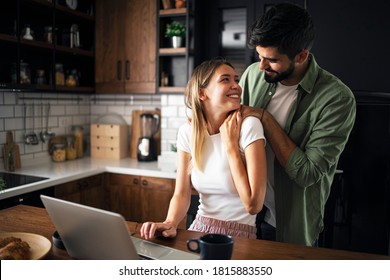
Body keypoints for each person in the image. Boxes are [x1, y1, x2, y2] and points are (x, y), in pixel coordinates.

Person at [239, 3, 356, 246]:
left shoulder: (336, 98)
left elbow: (307, 174)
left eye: (271, 60)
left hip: (287, 225)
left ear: (302, 55)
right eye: (259, 57)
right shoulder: (252, 74)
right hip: (241, 215)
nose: (261, 66)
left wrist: (265, 118)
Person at [140, 58, 267, 240]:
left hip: (240, 235)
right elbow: (181, 193)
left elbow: (253, 205)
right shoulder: (188, 132)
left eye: (236, 80)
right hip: (199, 228)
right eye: (225, 79)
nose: (236, 86)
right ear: (202, 93)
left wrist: (230, 145)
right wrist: (170, 222)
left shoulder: (249, 126)